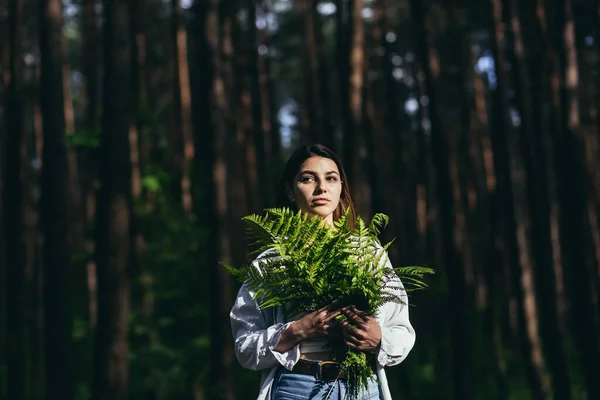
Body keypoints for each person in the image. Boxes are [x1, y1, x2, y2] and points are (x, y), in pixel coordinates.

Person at [230, 144, 415, 400]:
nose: (321, 188)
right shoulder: (272, 261)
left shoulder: (367, 252)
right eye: (308, 179)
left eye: (331, 178)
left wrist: (378, 338)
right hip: (298, 388)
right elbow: (244, 347)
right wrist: (298, 330)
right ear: (290, 190)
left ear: (341, 189)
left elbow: (403, 330)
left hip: (361, 388)